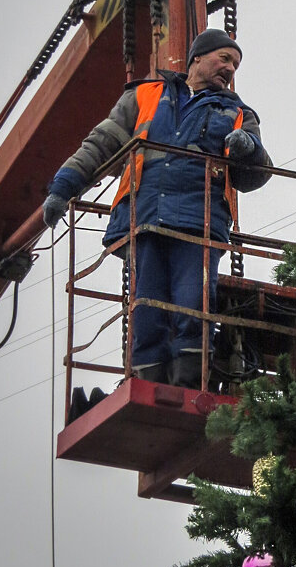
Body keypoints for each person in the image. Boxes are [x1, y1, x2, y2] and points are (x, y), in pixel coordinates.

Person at [43, 28, 272, 388]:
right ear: (197, 57)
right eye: (224, 58)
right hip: (145, 219)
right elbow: (101, 144)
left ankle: (187, 384)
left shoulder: (238, 113)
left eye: (236, 64)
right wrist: (64, 186)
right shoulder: (145, 96)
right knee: (146, 308)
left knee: (192, 306)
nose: (230, 69)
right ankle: (148, 382)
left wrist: (250, 151)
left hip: (199, 223)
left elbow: (256, 175)